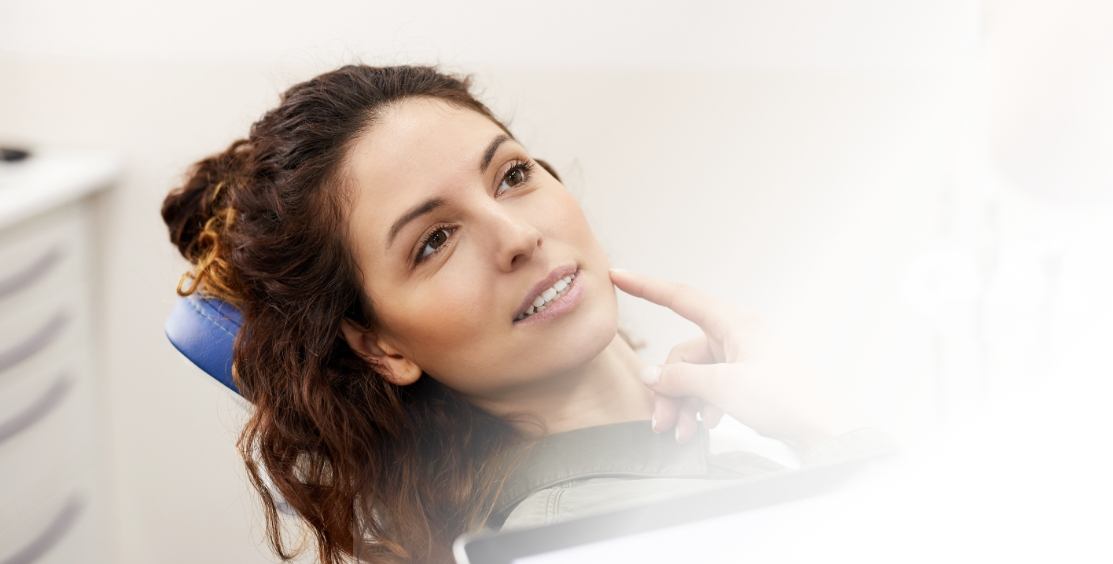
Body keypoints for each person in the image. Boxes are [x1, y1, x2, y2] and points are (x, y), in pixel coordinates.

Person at [160, 64, 884, 564]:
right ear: (380, 347)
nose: (516, 236)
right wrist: (831, 432)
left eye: (511, 175)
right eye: (434, 242)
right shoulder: (589, 540)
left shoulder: (659, 484)